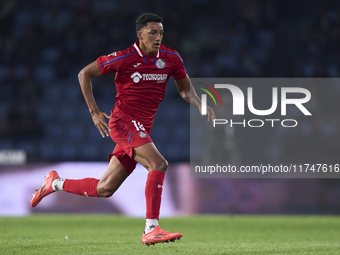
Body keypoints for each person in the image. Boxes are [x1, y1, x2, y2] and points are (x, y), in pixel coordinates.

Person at [31, 13, 215, 246]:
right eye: (152, 33)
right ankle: (151, 228)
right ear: (140, 35)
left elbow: (185, 90)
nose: (157, 37)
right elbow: (84, 74)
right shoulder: (125, 57)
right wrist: (94, 111)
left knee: (105, 188)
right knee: (159, 164)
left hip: (142, 127)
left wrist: (200, 103)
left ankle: (54, 183)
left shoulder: (171, 58)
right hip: (123, 121)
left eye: (160, 33)